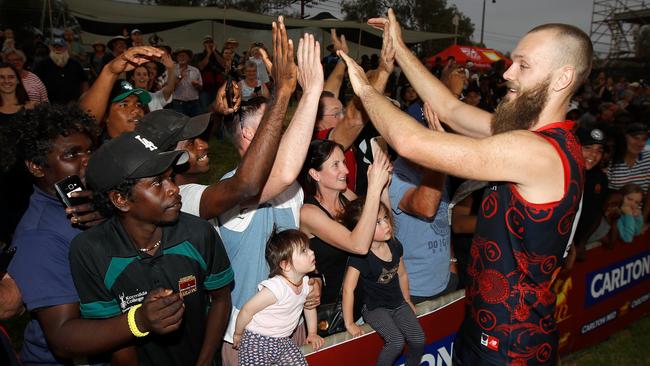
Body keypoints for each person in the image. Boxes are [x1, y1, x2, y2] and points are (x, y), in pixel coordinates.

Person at [339, 10, 590, 365]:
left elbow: (411, 143)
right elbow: (451, 110)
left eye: (523, 65)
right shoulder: (536, 140)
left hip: (509, 348)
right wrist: (401, 49)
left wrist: (364, 88)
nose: (507, 73)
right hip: (486, 330)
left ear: (562, 78)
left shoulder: (536, 152)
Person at [4, 105, 181, 365]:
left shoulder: (93, 203)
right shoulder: (40, 236)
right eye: (71, 154)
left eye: (89, 150)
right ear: (36, 167)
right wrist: (139, 320)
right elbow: (63, 337)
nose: (87, 160)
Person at [69, 131, 233, 365]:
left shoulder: (198, 233)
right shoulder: (91, 251)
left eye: (170, 178)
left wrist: (206, 360)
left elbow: (220, 299)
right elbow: (111, 331)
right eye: (157, 183)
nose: (173, 189)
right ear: (120, 200)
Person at [216, 25, 324, 366]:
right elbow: (283, 173)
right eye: (273, 121)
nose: (281, 126)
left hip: (289, 329)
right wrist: (306, 93)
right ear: (249, 134)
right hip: (246, 335)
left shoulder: (291, 188)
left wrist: (310, 279)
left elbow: (296, 246)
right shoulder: (231, 187)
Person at [299, 139, 391, 314]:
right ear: (315, 174)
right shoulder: (308, 213)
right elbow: (359, 246)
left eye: (344, 162)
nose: (346, 171)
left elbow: (382, 228)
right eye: (336, 165)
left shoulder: (346, 196)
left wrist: (383, 188)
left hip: (365, 300)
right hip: (334, 310)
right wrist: (373, 188)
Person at [341, 198, 424, 366]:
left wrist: (407, 300)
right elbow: (348, 289)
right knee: (396, 342)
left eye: (385, 217)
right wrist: (349, 323)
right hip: (374, 308)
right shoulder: (360, 256)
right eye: (378, 222)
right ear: (362, 229)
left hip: (398, 303)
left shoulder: (394, 244)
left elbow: (402, 275)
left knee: (418, 340)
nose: (386, 224)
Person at [388, 105, 457, 303]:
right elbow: (426, 208)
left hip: (445, 280)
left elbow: (443, 216)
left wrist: (452, 262)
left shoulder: (435, 167)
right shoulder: (396, 176)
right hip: (413, 289)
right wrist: (438, 155)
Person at [233, 229, 324, 365]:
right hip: (256, 342)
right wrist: (238, 334)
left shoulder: (305, 284)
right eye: (304, 251)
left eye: (309, 248)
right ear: (285, 265)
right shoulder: (276, 287)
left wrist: (312, 333)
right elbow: (247, 310)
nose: (311, 252)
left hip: (283, 341)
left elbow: (309, 307)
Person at [607, 122, 650, 221]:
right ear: (625, 137)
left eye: (644, 139)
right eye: (635, 137)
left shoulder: (648, 159)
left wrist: (643, 219)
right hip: (613, 220)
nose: (639, 143)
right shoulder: (611, 161)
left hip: (637, 217)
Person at [34, 38, 88, 104]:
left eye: (60, 47)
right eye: (55, 47)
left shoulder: (75, 64)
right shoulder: (43, 64)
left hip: (72, 103)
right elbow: (36, 82)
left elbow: (84, 81)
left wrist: (84, 97)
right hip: (49, 103)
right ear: (51, 48)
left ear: (65, 48)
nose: (57, 49)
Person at [171, 48, 202, 116]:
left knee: (196, 123)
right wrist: (179, 77)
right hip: (178, 103)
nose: (182, 58)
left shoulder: (195, 70)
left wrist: (197, 85)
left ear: (188, 58)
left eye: (184, 56)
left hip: (194, 103)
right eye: (180, 56)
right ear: (176, 58)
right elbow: (170, 89)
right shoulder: (172, 70)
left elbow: (201, 88)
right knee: (180, 124)